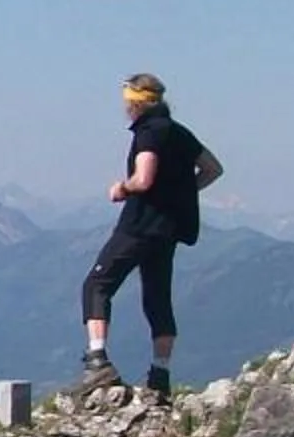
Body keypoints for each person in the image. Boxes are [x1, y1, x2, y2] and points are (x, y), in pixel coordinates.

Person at [77, 72, 220, 402]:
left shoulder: (148, 133)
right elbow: (213, 169)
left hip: (139, 224)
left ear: (136, 104)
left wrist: (122, 188)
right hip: (168, 230)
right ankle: (160, 374)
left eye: (128, 103)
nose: (126, 109)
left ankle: (97, 360)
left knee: (97, 284)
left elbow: (143, 178)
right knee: (157, 298)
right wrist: (183, 193)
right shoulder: (180, 133)